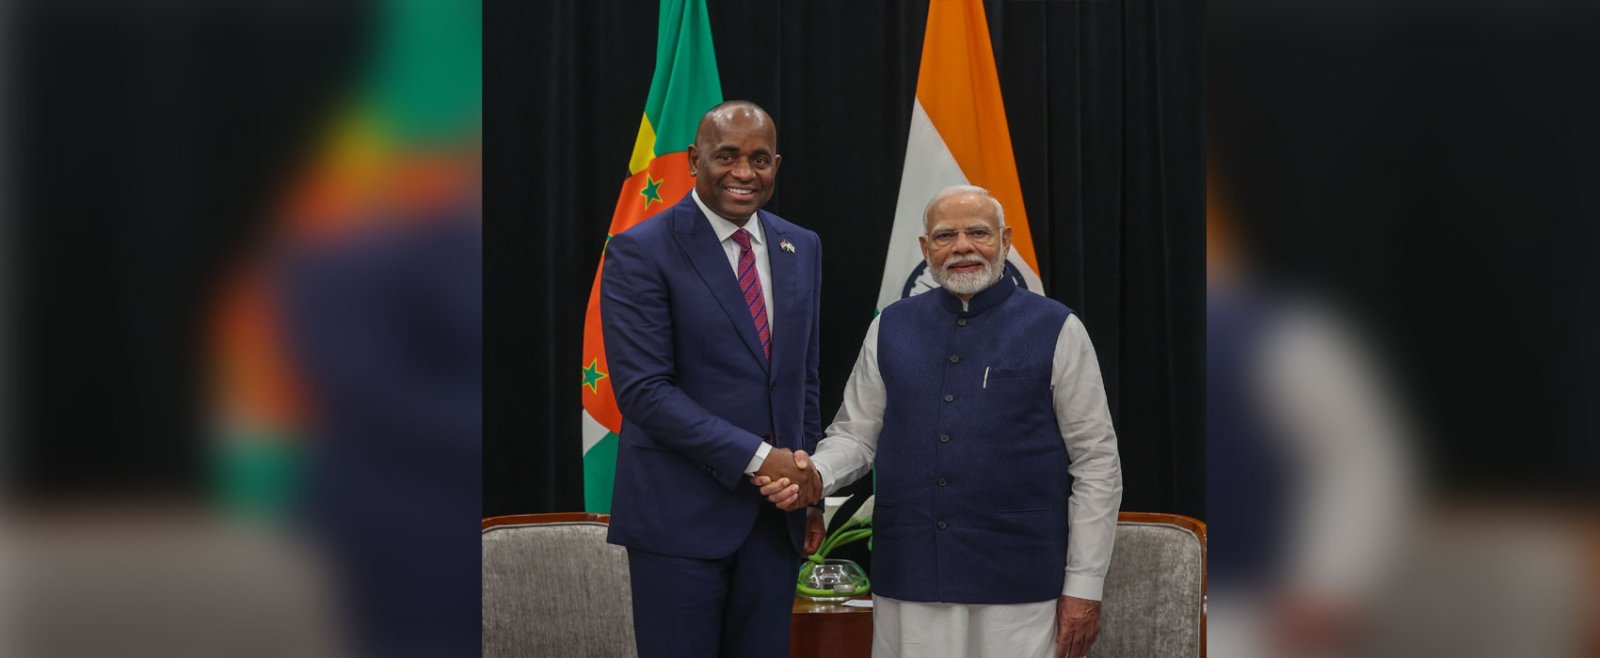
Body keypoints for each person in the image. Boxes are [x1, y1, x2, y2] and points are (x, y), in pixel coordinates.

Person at [759, 185, 1123, 658]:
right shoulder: (890, 325)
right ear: (925, 248)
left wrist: (1084, 585)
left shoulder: (1057, 327)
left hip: (1021, 582)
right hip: (910, 576)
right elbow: (855, 435)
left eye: (978, 232)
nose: (962, 247)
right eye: (945, 235)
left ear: (1006, 241)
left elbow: (1097, 464)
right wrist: (816, 474)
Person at [600, 100, 826, 658]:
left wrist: (810, 485)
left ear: (778, 164)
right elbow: (644, 392)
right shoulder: (640, 250)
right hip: (679, 520)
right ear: (693, 160)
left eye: (760, 159)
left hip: (775, 522)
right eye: (726, 156)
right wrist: (758, 458)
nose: (744, 173)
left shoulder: (803, 246)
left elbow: (804, 379)